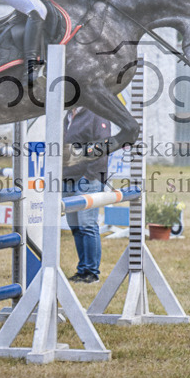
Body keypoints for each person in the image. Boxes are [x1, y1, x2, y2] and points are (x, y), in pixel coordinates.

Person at [62, 105, 110, 283]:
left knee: (87, 224)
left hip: (88, 178)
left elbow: (104, 146)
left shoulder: (97, 113)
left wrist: (88, 175)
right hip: (67, 177)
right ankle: (82, 270)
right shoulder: (68, 114)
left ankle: (91, 272)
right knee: (74, 225)